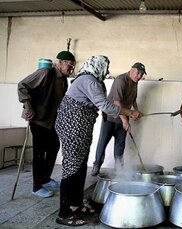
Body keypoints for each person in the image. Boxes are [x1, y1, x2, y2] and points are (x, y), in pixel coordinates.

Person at [54, 55, 142, 226]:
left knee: (79, 167)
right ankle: (64, 214)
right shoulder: (89, 80)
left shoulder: (93, 81)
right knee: (72, 167)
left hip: (81, 127)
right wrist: (130, 114)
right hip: (72, 127)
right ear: (97, 66)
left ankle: (76, 205)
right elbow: (106, 105)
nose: (107, 71)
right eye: (105, 67)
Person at [17, 50, 76, 198]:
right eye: (69, 65)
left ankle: (45, 179)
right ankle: (37, 187)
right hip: (38, 120)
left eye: (73, 66)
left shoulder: (63, 80)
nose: (71, 69)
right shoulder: (45, 73)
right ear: (60, 63)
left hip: (51, 122)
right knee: (39, 153)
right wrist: (28, 106)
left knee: (53, 148)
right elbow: (22, 85)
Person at [91, 62, 146, 176]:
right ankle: (96, 166)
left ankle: (119, 171)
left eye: (141, 74)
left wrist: (137, 110)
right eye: (138, 73)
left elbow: (133, 98)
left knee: (120, 146)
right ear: (132, 70)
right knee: (103, 142)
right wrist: (125, 121)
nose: (139, 76)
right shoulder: (121, 80)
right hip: (111, 117)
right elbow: (117, 103)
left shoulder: (135, 82)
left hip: (124, 117)